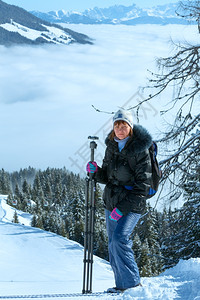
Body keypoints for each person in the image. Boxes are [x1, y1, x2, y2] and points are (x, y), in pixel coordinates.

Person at [86, 109, 152, 293]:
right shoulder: (112, 147)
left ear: (130, 128)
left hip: (132, 204)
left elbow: (143, 187)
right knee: (112, 244)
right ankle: (121, 285)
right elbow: (107, 176)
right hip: (112, 202)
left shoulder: (140, 150)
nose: (120, 129)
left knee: (120, 239)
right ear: (113, 127)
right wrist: (95, 171)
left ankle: (132, 284)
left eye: (124, 125)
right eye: (117, 125)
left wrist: (122, 209)